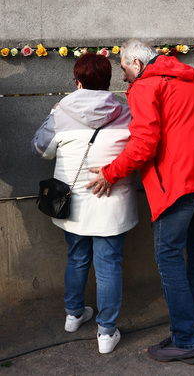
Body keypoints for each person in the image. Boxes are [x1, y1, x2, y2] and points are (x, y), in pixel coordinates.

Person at [86, 39, 194, 364]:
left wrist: (109, 173)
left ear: (135, 63)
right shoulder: (189, 78)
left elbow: (144, 142)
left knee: (168, 255)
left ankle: (185, 340)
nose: (123, 78)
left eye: (124, 70)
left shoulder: (146, 86)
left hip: (181, 182)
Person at [31, 53, 138, 354]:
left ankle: (74, 315)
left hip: (72, 205)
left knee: (77, 257)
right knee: (108, 265)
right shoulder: (127, 113)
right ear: (107, 83)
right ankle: (106, 333)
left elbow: (40, 150)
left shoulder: (61, 113)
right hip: (112, 204)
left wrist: (51, 117)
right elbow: (140, 151)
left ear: (77, 81)